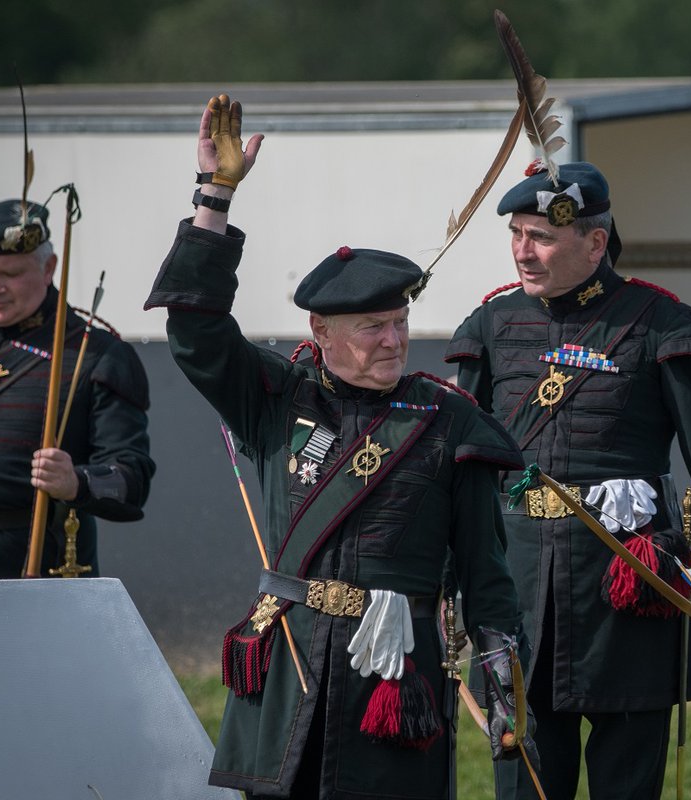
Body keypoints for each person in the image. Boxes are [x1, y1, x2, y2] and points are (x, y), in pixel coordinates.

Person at [144, 94, 533, 800]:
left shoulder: (450, 421)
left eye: (399, 321)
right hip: (287, 669)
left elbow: (487, 572)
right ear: (322, 333)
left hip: (392, 682)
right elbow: (195, 330)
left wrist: (502, 671)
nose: (392, 339)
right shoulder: (276, 397)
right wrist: (214, 198)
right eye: (370, 327)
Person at [445, 160, 691, 800]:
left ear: (595, 242)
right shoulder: (490, 324)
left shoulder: (663, 324)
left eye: (541, 237)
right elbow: (460, 469)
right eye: (516, 233)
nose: (523, 251)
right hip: (518, 592)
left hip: (630, 589)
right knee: (525, 785)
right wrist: (446, 583)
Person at [0, 198, 153, 579]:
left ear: (49, 268)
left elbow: (131, 482)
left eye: (10, 274)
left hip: (28, 565)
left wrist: (77, 481)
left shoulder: (99, 353)